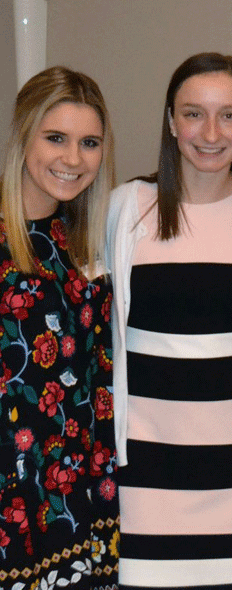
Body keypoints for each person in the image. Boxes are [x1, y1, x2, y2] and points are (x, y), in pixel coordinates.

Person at [108, 53, 232, 589]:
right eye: (194, 114)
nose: (211, 133)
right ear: (170, 121)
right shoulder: (127, 208)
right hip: (145, 465)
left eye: (230, 115)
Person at [0, 67, 118, 589]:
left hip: (75, 504)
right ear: (23, 135)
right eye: (56, 138)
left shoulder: (87, 247)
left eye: (89, 143)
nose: (73, 159)